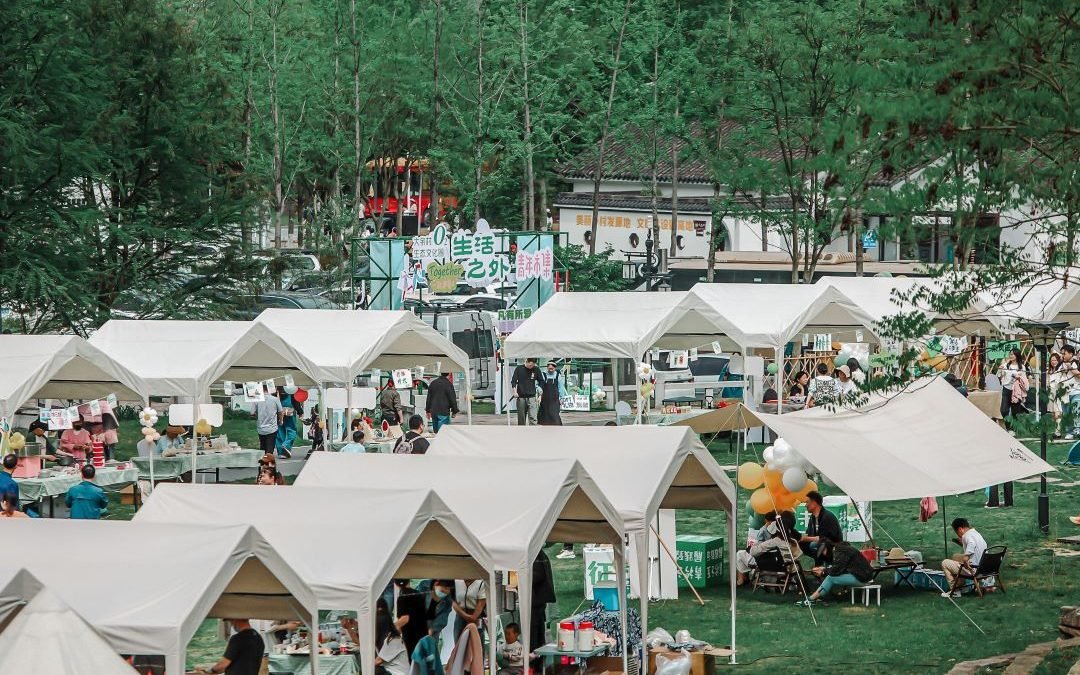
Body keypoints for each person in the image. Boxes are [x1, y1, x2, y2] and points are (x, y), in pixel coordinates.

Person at [797, 536, 874, 605]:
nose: (823, 554)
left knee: (831, 578)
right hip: (863, 575)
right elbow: (840, 567)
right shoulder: (841, 549)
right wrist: (824, 569)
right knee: (830, 576)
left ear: (827, 547)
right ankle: (814, 598)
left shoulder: (840, 552)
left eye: (823, 551)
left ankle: (811, 599)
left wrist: (823, 572)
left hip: (862, 578)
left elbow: (836, 570)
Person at [735, 511, 800, 585]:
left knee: (740, 554)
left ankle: (741, 579)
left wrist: (750, 549)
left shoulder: (775, 540)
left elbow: (754, 552)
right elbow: (799, 555)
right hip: (789, 568)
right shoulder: (794, 541)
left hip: (772, 566)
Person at [940, 517, 988, 598]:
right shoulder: (976, 534)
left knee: (945, 563)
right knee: (956, 556)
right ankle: (960, 586)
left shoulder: (966, 536)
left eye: (956, 532)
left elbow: (972, 543)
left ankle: (955, 590)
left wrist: (966, 557)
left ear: (960, 529)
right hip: (985, 567)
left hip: (975, 569)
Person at [197, 618, 264, 675]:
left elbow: (223, 664)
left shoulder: (238, 638)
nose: (232, 624)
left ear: (236, 619)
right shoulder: (258, 638)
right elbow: (230, 666)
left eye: (231, 621)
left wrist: (208, 671)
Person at [799, 491, 841, 563]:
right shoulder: (812, 518)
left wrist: (804, 538)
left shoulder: (828, 517)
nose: (806, 505)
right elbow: (809, 535)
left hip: (832, 546)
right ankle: (816, 563)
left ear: (814, 503)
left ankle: (822, 563)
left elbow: (825, 538)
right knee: (801, 544)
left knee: (813, 544)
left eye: (807, 502)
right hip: (820, 543)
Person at [394, 579, 428, 657]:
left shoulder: (402, 598)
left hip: (410, 636)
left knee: (412, 661)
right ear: (409, 581)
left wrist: (392, 627)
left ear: (396, 584)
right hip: (422, 633)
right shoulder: (419, 594)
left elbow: (405, 618)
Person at [530, 551, 556, 650]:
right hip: (538, 600)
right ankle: (537, 658)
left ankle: (535, 660)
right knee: (537, 632)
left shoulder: (536, 554)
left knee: (535, 634)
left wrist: (521, 576)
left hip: (536, 601)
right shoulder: (538, 553)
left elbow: (538, 574)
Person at [375, 606, 409, 675]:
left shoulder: (393, 640)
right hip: (391, 671)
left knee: (375, 670)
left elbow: (377, 661)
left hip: (397, 673)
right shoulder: (390, 638)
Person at [997, 347, 1029, 422]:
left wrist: (1018, 377)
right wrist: (1000, 369)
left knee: (1015, 412)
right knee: (1004, 410)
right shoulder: (1006, 365)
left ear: (1017, 355)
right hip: (1006, 389)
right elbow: (998, 375)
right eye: (1010, 354)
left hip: (1016, 390)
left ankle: (1014, 429)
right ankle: (1008, 427)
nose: (1011, 356)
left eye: (1013, 354)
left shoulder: (1021, 367)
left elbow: (1023, 379)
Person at [254, 389, 284, 456]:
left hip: (261, 428)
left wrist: (258, 415)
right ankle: (267, 465)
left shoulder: (256, 399)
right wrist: (281, 420)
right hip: (272, 428)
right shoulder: (275, 399)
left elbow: (252, 413)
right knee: (269, 450)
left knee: (262, 448)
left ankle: (262, 465)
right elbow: (280, 412)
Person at [511, 358, 541, 426]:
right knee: (521, 418)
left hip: (532, 397)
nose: (531, 367)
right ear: (526, 362)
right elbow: (514, 381)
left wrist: (540, 392)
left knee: (533, 417)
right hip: (521, 397)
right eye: (530, 365)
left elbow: (541, 381)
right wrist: (515, 392)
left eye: (533, 365)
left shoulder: (536, 369)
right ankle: (522, 433)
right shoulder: (519, 369)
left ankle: (533, 431)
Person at [1060, 345, 1080, 440]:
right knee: (1066, 413)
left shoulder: (1077, 362)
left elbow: (1078, 374)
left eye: (1065, 353)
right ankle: (1070, 432)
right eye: (1062, 353)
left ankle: (1078, 430)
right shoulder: (1061, 363)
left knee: (1076, 411)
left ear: (1071, 353)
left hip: (1076, 391)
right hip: (1064, 393)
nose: (1063, 355)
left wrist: (1071, 368)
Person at [536, 361, 565, 426]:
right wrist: (539, 389)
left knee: (554, 415)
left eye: (552, 368)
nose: (550, 370)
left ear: (555, 368)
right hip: (545, 399)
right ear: (547, 368)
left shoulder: (558, 376)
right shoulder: (543, 375)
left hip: (555, 400)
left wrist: (562, 398)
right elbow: (537, 385)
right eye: (549, 368)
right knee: (545, 415)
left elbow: (561, 387)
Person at [276, 388, 301, 459]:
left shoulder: (276, 387)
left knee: (280, 432)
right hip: (289, 411)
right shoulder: (291, 388)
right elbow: (295, 401)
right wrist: (300, 412)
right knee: (292, 430)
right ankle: (286, 445)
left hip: (279, 411)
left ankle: (281, 452)